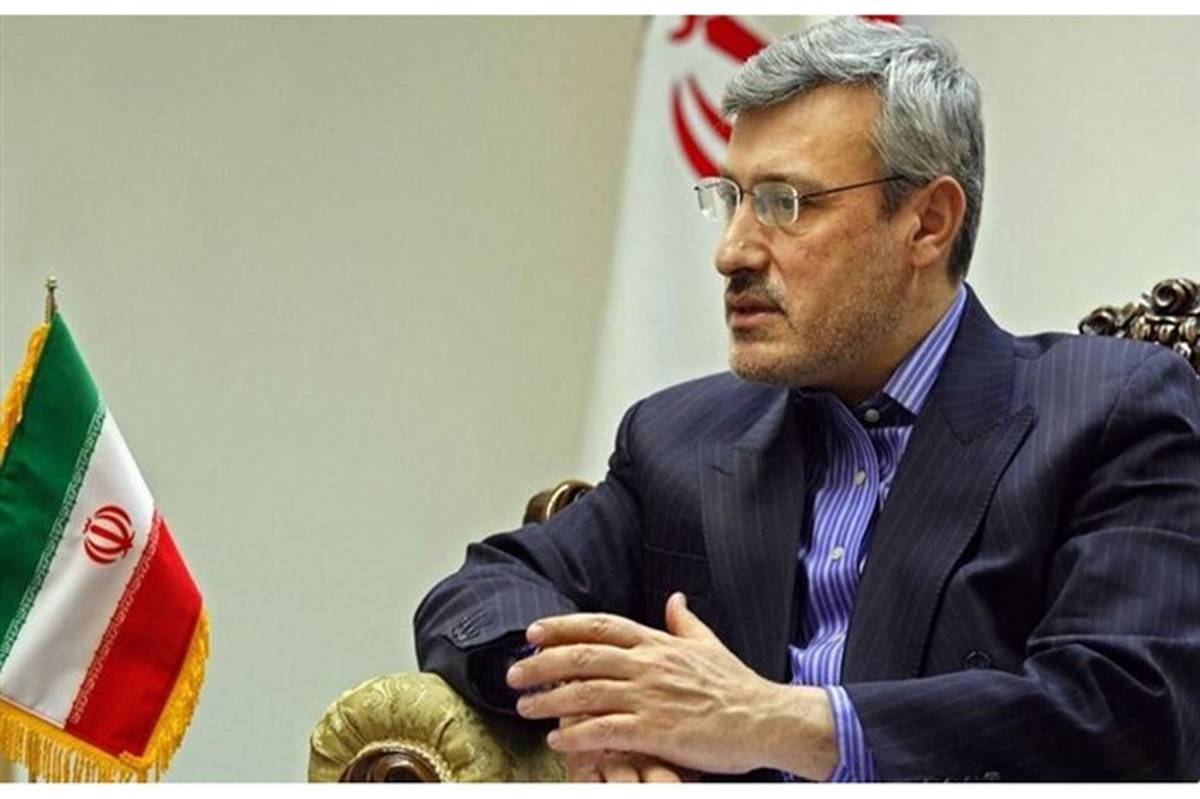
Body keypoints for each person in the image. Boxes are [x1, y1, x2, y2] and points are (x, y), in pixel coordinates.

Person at [414, 17, 1200, 782]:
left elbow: (1124, 714)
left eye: (784, 203)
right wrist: (606, 703)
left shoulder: (1109, 412)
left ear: (928, 223)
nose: (731, 251)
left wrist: (771, 721)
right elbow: (482, 592)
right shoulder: (680, 437)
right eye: (731, 198)